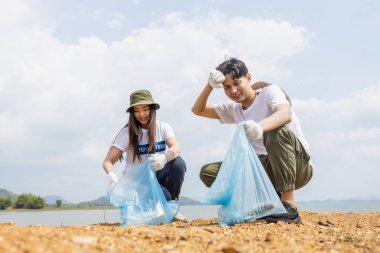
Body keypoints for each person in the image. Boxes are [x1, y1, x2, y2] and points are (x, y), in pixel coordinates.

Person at [191, 57, 313, 224]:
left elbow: (285, 114)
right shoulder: (233, 109)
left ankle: (289, 204)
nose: (233, 90)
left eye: (237, 83)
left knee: (275, 131)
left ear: (248, 78)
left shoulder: (270, 92)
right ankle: (265, 203)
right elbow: (198, 110)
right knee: (209, 172)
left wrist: (260, 127)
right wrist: (209, 86)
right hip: (266, 169)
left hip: (297, 166)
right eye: (227, 87)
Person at [103, 89, 187, 221]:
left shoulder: (163, 127)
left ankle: (172, 207)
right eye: (136, 110)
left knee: (178, 163)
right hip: (139, 184)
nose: (141, 114)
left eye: (145, 109)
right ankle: (160, 204)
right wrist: (112, 176)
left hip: (157, 176)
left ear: (152, 109)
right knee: (164, 195)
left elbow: (176, 148)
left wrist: (165, 158)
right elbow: (108, 161)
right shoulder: (127, 133)